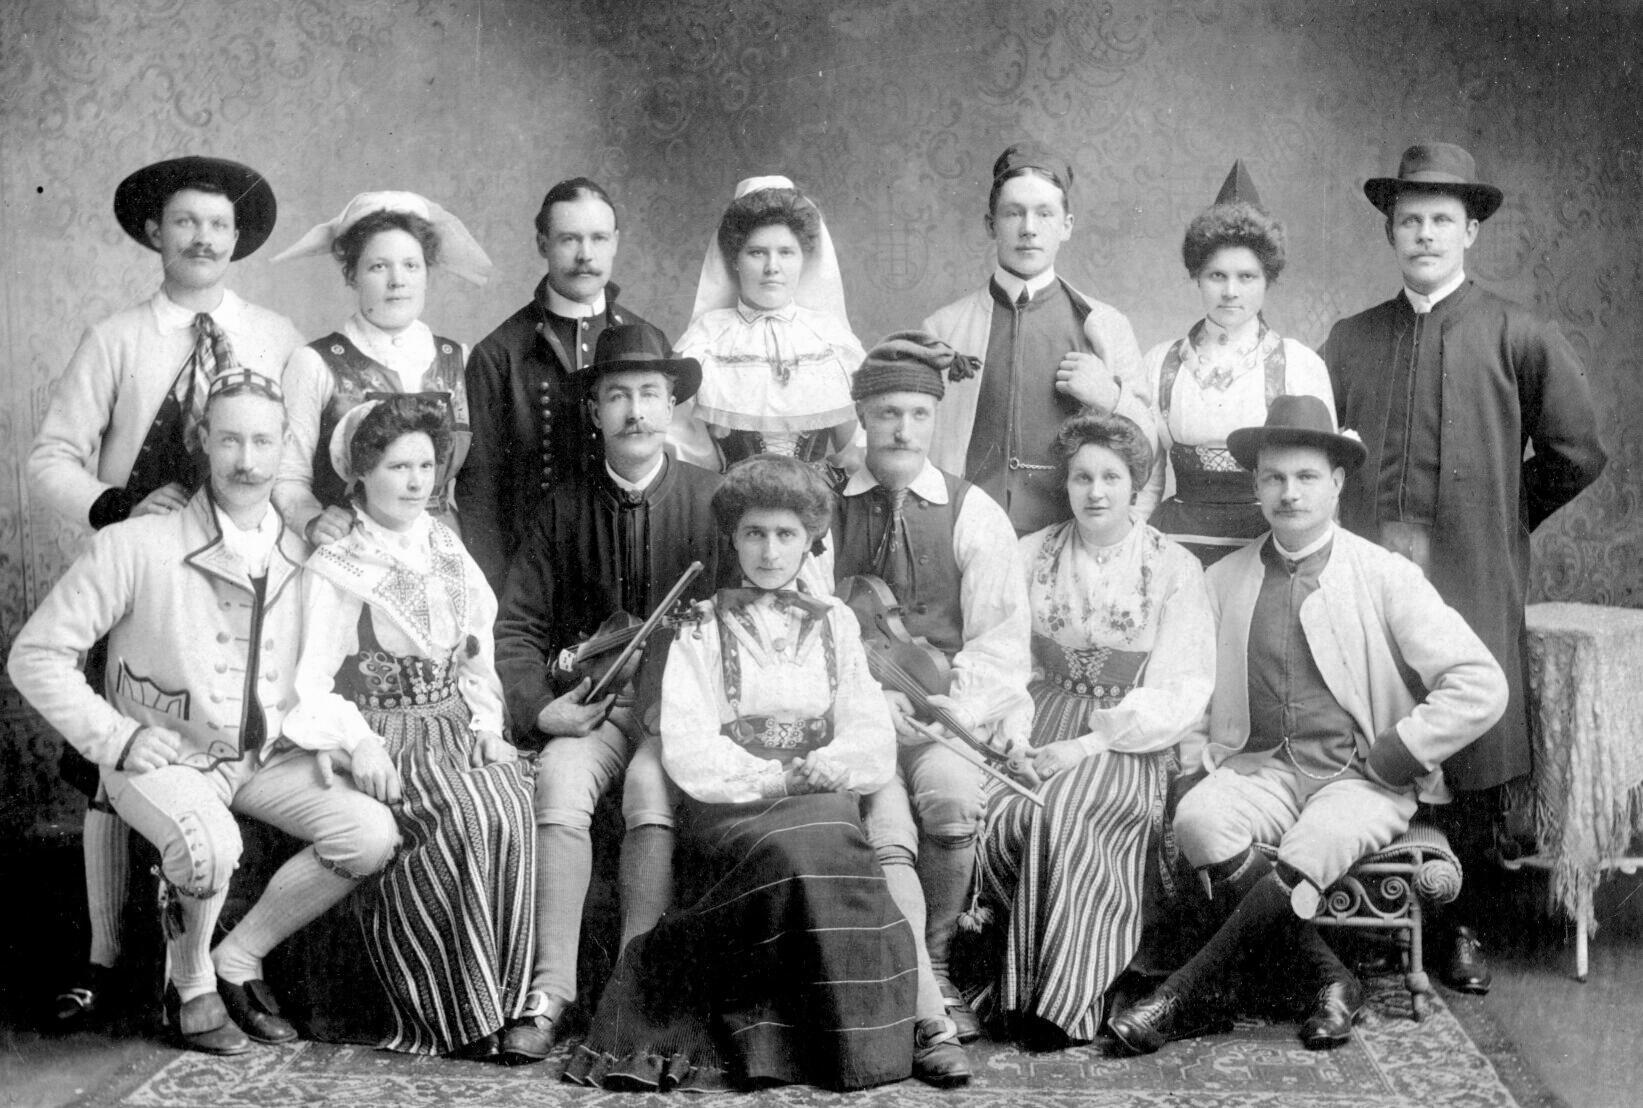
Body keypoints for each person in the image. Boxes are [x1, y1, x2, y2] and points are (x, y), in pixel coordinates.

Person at [9, 370, 400, 1055]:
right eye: (229, 441)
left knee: (369, 834)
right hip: (165, 757)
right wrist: (117, 738)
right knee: (209, 846)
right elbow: (35, 655)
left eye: (262, 442)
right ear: (202, 441)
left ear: (284, 445)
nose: (247, 461)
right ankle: (189, 987)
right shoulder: (135, 544)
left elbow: (318, 675)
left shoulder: (304, 552)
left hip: (264, 759)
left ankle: (238, 958)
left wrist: (344, 740)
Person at [1107, 395, 1509, 1056]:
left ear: (1337, 483)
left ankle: (1179, 996)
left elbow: (1480, 682)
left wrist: (1398, 751)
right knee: (1199, 822)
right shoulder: (1222, 580)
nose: (1288, 493)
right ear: (1256, 485)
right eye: (1273, 477)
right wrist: (1193, 765)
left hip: (1359, 778)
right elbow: (1192, 692)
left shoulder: (1383, 576)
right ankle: (1331, 979)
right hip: (1259, 768)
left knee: (1311, 846)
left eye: (1305, 477)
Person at [1320, 142, 1606, 992]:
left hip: (1468, 567)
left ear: (1469, 231)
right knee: (1371, 718)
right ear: (1389, 231)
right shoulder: (1350, 338)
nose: (1423, 234)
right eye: (1408, 220)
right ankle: (1368, 913)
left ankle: (1462, 925)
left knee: (1469, 736)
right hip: (1370, 563)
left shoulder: (1516, 332)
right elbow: (1319, 453)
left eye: (1440, 220)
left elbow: (1575, 450)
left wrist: (1502, 520)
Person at [25, 155, 303, 1030]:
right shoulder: (117, 338)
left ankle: (215, 962)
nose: (202, 239)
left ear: (237, 238)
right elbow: (49, 460)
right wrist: (115, 507)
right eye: (184, 222)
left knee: (225, 738)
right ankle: (105, 960)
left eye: (217, 225)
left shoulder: (275, 335)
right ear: (154, 233)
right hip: (143, 573)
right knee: (115, 759)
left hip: (239, 571)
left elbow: (295, 456)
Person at [563, 455, 917, 1092]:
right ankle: (768, 1044)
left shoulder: (836, 621)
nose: (770, 551)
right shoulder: (699, 625)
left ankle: (841, 1043)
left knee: (833, 845)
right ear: (733, 537)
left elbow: (867, 724)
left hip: (821, 790)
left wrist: (830, 766)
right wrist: (772, 781)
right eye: (755, 533)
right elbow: (690, 743)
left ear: (810, 539)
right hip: (733, 804)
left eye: (786, 535)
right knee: (787, 853)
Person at [492, 322, 724, 1066]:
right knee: (559, 785)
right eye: (618, 395)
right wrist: (541, 708)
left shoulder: (713, 501)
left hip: (681, 714)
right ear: (594, 412)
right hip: (589, 707)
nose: (635, 410)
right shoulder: (560, 507)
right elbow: (518, 626)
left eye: (650, 394)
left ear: (672, 407)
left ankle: (633, 989)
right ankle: (550, 991)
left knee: (651, 795)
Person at [282, 395, 535, 1057]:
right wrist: (360, 742)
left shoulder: (445, 545)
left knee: (508, 799)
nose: (417, 481)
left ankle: (504, 1005)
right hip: (386, 733)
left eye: (425, 465)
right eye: (397, 467)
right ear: (361, 474)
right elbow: (310, 683)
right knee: (464, 812)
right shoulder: (338, 565)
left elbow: (476, 648)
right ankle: (453, 1016)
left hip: (455, 723)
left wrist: (488, 725)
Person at [826, 331, 1034, 1078]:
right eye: (887, 413)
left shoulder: (973, 510)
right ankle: (909, 981)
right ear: (861, 416)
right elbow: (810, 630)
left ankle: (937, 963)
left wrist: (951, 710)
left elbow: (1001, 640)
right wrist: (867, 703)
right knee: (883, 823)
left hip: (945, 711)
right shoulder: (823, 504)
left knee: (949, 799)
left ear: (935, 419)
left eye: (918, 414)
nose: (903, 430)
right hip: (854, 715)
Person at [974, 413, 1213, 1045]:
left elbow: (1182, 686)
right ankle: (1007, 991)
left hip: (1125, 732)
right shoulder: (1029, 554)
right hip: (1037, 712)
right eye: (1082, 477)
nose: (1096, 492)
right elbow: (1007, 656)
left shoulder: (1174, 566)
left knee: (1069, 811)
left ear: (1136, 484)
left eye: (1112, 477)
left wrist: (1087, 744)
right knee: (999, 809)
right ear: (1067, 483)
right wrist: (1015, 737)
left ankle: (1061, 1003)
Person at [921, 141, 1153, 534]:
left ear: (1067, 226)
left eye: (1044, 213)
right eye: (1014, 213)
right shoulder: (943, 329)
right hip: (966, 536)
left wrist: (1112, 397)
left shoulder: (1105, 326)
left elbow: (1150, 445)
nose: (1028, 228)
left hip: (1072, 540)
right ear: (991, 224)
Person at [458, 177, 660, 593]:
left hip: (635, 568)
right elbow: (479, 495)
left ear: (615, 242)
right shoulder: (499, 354)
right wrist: (499, 598)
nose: (586, 255)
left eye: (598, 238)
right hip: (534, 578)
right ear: (542, 244)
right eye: (569, 239)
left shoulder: (651, 342)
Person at [1135, 161, 1336, 566]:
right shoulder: (1161, 362)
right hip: (1175, 544)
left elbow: (1321, 485)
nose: (1230, 291)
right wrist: (1132, 550)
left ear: (1267, 280)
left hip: (1265, 546)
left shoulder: (1299, 364)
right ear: (1197, 276)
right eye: (1216, 276)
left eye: (1246, 277)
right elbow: (1148, 479)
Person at [271, 191, 491, 546]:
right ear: (352, 276)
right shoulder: (315, 362)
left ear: (427, 274)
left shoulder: (458, 359)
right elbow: (288, 476)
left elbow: (482, 482)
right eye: (378, 266)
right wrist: (312, 520)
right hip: (349, 546)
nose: (397, 280)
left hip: (442, 547)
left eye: (411, 265)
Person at [668, 175, 864, 470]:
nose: (773, 267)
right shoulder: (705, 340)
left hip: (816, 498)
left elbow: (857, 450)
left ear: (802, 258)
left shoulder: (831, 341)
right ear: (735, 259)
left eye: (786, 252)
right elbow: (683, 450)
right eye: (757, 252)